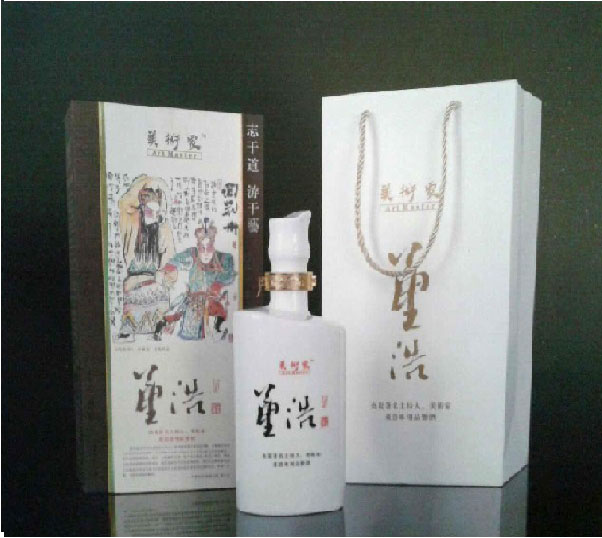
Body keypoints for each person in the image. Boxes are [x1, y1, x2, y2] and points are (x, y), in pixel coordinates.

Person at [159, 221, 236, 340]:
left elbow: (229, 274)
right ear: (197, 247)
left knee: (216, 334)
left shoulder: (224, 258)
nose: (205, 253)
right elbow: (177, 260)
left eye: (208, 249)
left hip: (213, 304)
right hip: (194, 304)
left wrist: (218, 284)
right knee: (190, 335)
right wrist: (171, 266)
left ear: (213, 246)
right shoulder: (192, 254)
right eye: (202, 249)